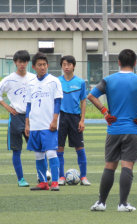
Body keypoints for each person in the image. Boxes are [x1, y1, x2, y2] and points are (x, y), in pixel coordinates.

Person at [88, 49, 137, 212]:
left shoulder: (108, 79)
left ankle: (101, 202)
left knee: (109, 166)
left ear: (118, 63)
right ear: (135, 63)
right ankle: (122, 204)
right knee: (127, 166)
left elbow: (91, 96)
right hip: (133, 129)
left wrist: (105, 112)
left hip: (113, 129)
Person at [0, 50, 35, 187]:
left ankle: (43, 176)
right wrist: (7, 107)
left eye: (25, 61)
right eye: (19, 61)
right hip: (16, 118)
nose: (22, 64)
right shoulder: (9, 79)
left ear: (28, 62)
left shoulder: (34, 78)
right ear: (15, 62)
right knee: (17, 150)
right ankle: (21, 179)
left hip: (32, 118)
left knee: (39, 148)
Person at [24, 52, 63, 191]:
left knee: (51, 153)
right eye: (39, 65)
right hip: (34, 125)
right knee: (38, 155)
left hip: (49, 124)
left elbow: (58, 102)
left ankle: (55, 182)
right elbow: (28, 105)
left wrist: (54, 121)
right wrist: (27, 124)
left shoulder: (54, 81)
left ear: (47, 65)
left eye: (44, 65)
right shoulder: (31, 84)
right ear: (34, 67)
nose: (42, 67)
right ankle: (43, 183)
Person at [57, 55, 90, 186]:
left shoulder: (81, 82)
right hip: (60, 117)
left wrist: (82, 120)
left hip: (75, 118)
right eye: (64, 64)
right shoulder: (56, 81)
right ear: (61, 66)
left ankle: (83, 177)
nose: (66, 67)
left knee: (80, 148)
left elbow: (83, 102)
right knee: (59, 148)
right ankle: (61, 177)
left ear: (74, 66)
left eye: (69, 64)